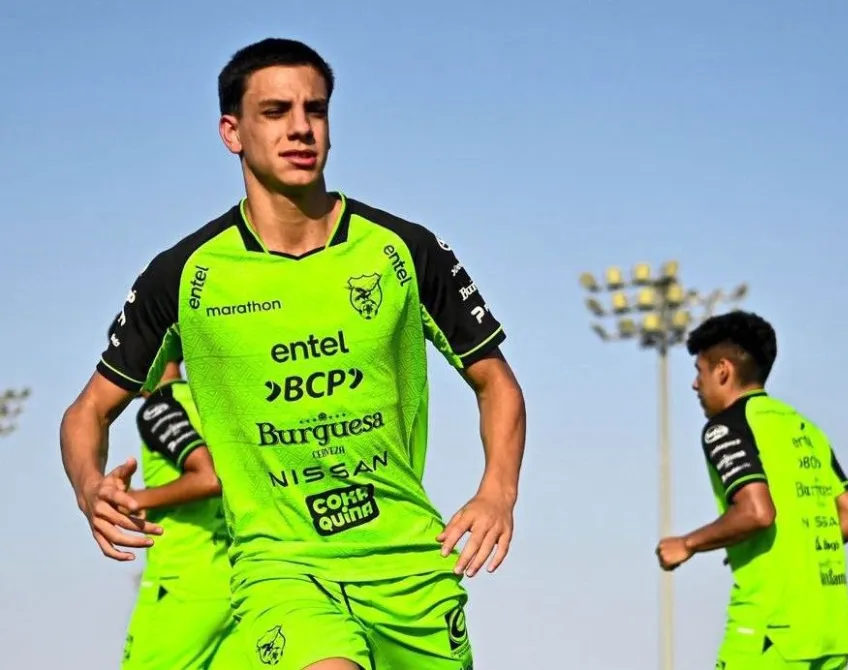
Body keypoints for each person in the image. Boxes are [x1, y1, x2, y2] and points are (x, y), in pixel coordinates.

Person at [60, 37, 526, 670]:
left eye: (316, 109)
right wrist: (90, 486)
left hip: (412, 568)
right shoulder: (184, 274)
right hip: (281, 569)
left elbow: (497, 383)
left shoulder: (405, 250)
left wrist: (497, 491)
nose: (301, 128)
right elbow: (87, 412)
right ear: (232, 132)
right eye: (275, 111)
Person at [655, 311, 848, 670]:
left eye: (700, 371)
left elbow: (756, 512)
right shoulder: (804, 428)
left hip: (772, 628)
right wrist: (774, 547)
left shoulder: (726, 427)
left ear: (723, 371)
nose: (695, 384)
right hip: (831, 630)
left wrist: (688, 543)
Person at [114, 336, 245, 669]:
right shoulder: (214, 406)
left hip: (183, 582)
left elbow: (208, 478)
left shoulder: (159, 407)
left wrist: (138, 499)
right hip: (235, 581)